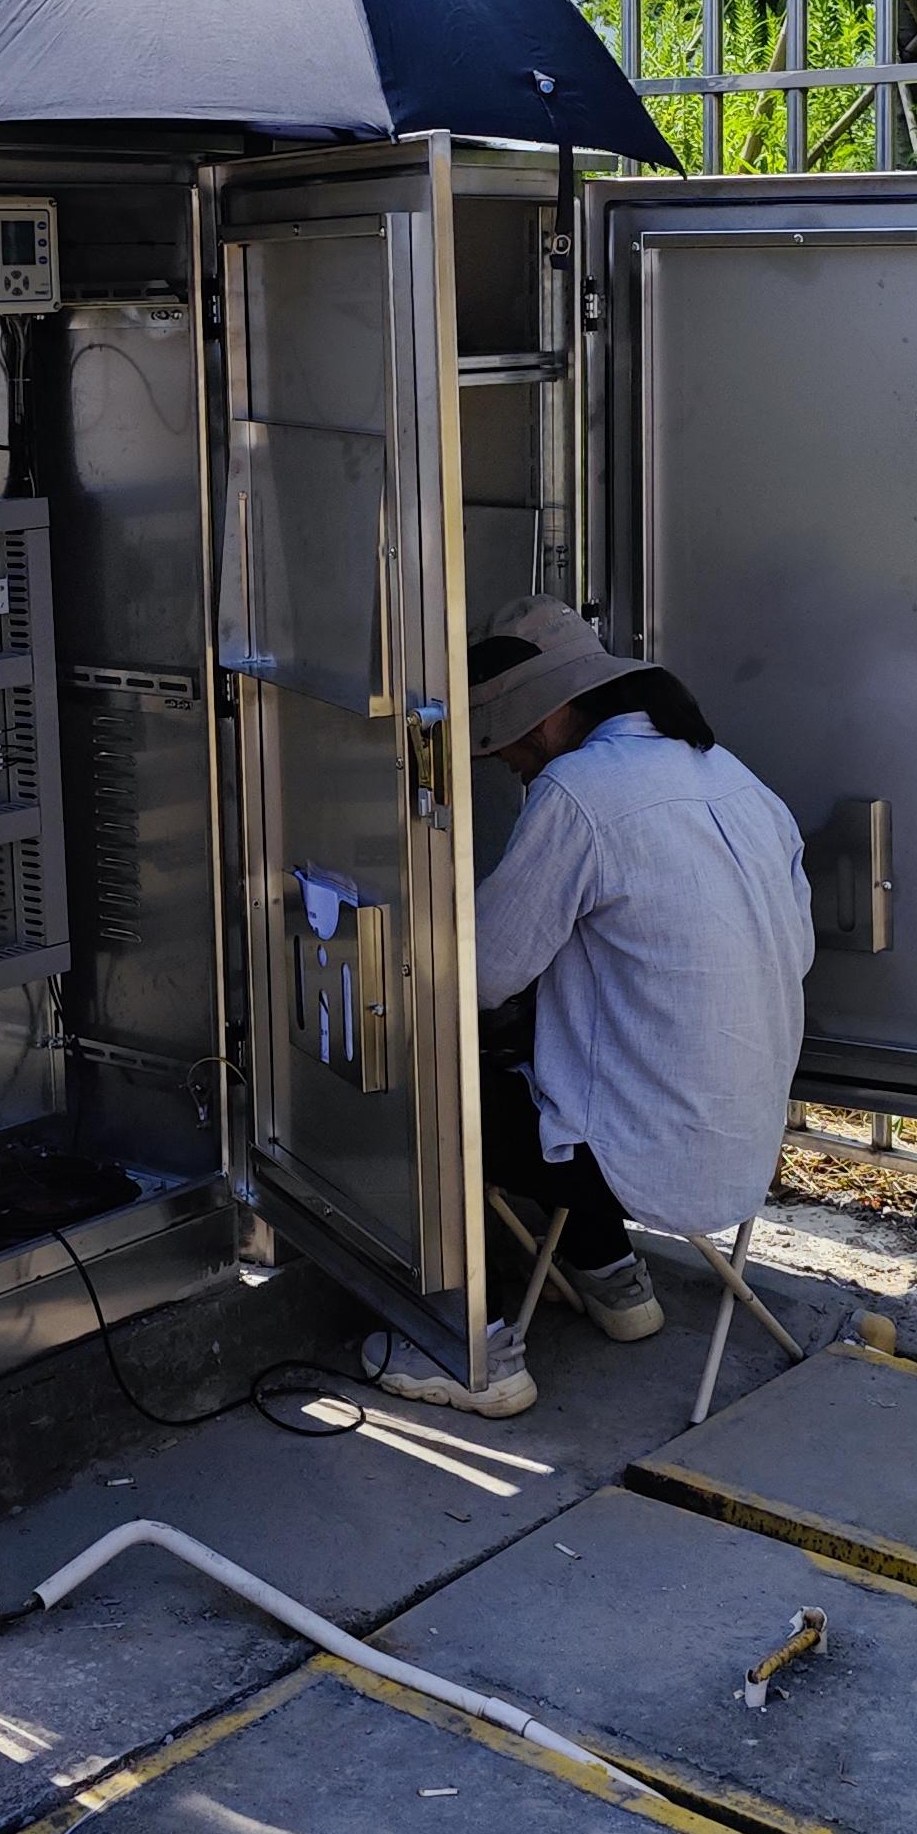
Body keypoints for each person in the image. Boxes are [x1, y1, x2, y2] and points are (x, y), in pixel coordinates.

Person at [367, 596, 817, 1419]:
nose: (505, 763)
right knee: (559, 1066)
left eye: (502, 741)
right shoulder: (735, 778)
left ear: (543, 717)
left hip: (633, 1157)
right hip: (745, 1144)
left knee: (412, 1081)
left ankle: (465, 1347)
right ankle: (611, 1275)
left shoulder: (576, 791)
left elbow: (479, 976)